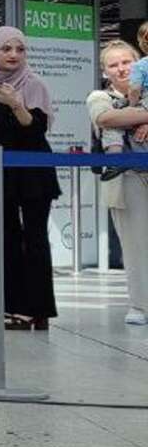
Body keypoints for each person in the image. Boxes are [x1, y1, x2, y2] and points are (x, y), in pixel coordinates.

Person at [0, 26, 59, 329]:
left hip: (32, 169)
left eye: (20, 49)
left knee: (35, 239)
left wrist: (15, 103)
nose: (13, 55)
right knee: (5, 239)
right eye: (6, 49)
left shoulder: (33, 83)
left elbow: (35, 129)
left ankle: (38, 310)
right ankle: (10, 305)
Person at [90, 40, 148, 325]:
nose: (122, 69)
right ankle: (140, 305)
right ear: (105, 71)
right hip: (126, 180)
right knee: (135, 245)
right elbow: (106, 118)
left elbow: (119, 119)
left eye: (126, 62)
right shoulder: (98, 97)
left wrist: (131, 117)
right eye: (114, 65)